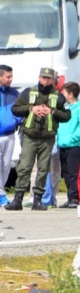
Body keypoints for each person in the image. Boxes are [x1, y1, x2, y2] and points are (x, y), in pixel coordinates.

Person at [6, 67, 71, 211]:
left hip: (47, 138)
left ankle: (38, 200)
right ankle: (18, 199)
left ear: (53, 80)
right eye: (43, 77)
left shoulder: (58, 96)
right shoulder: (28, 92)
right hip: (30, 136)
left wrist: (52, 111)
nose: (46, 80)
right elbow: (15, 109)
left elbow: (67, 116)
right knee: (24, 167)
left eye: (48, 78)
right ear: (39, 77)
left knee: (43, 169)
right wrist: (31, 108)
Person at [57, 82, 80, 208]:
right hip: (63, 145)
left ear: (70, 94)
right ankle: (70, 196)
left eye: (64, 93)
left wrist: (71, 138)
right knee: (66, 173)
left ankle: (75, 198)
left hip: (75, 146)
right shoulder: (65, 108)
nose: (62, 95)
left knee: (74, 172)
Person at [0, 65, 20, 207]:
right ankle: (1, 195)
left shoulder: (14, 93)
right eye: (8, 77)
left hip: (10, 134)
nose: (10, 79)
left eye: (11, 76)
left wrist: (16, 121)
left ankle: (1, 192)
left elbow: (19, 110)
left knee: (6, 165)